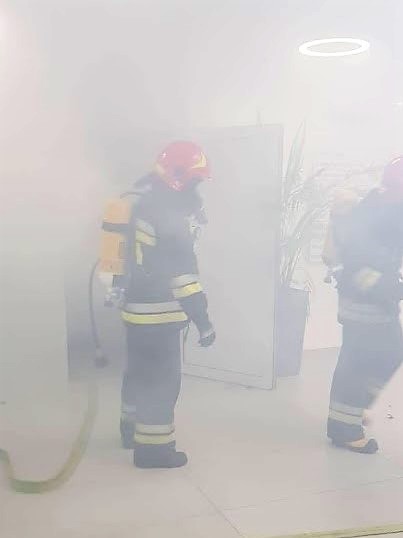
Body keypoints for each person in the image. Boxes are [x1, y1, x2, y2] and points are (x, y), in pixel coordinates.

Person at [118, 141, 216, 468]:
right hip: (159, 316)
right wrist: (203, 321)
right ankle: (154, 450)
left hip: (135, 312)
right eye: (195, 181)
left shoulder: (143, 204)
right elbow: (182, 276)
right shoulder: (169, 214)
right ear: (179, 177)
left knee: (138, 373)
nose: (197, 188)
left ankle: (130, 429)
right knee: (161, 381)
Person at [324, 157, 403, 454]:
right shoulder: (375, 214)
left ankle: (354, 410)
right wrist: (393, 289)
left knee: (387, 353)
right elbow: (359, 263)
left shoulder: (384, 208)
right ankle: (345, 428)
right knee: (359, 363)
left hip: (374, 301)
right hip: (363, 303)